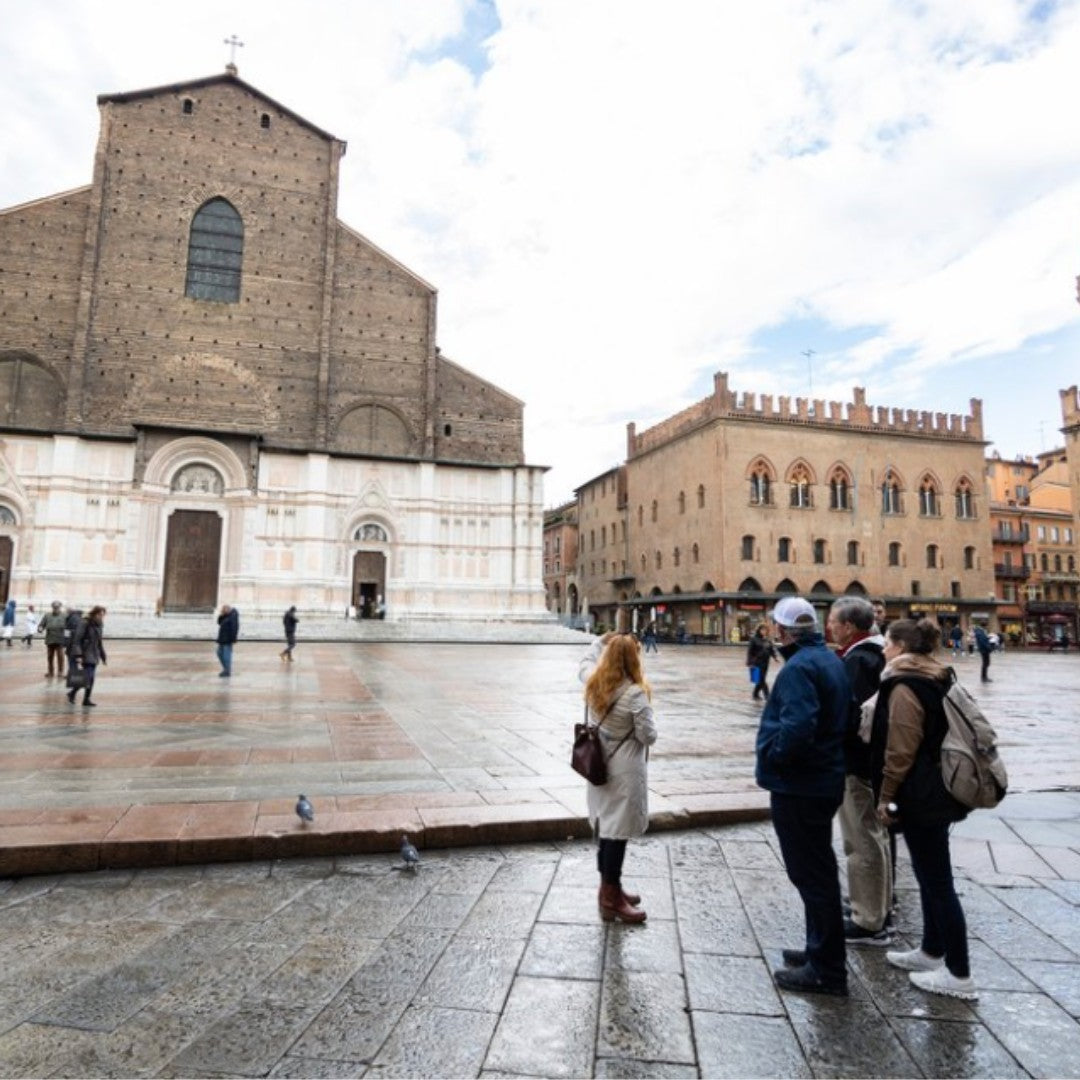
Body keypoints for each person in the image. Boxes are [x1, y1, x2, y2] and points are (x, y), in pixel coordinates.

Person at [870, 618, 976, 1000]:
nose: (883, 649)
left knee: (938, 882)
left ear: (901, 647)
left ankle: (960, 974)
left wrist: (886, 796)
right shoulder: (938, 675)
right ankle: (932, 951)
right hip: (938, 787)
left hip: (920, 793)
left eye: (887, 643)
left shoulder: (905, 685)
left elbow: (900, 750)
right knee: (928, 872)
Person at [756, 596, 851, 996]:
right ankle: (819, 951)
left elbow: (797, 729)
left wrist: (777, 759)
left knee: (811, 876)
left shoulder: (798, 668)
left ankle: (827, 970)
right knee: (819, 871)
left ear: (782, 631)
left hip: (801, 786)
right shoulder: (829, 659)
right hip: (824, 779)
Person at [826, 598, 890, 947]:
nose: (829, 627)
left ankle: (868, 920)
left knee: (861, 839)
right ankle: (878, 906)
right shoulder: (877, 654)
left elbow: (851, 717)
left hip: (855, 763)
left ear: (849, 627)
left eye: (833, 621)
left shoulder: (858, 662)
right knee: (874, 835)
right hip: (871, 762)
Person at [583, 633, 658, 923]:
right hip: (624, 771)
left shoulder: (594, 683)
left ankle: (609, 888)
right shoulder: (635, 693)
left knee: (606, 827)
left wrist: (597, 643)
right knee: (617, 834)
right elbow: (648, 736)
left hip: (599, 765)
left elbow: (584, 664)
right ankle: (611, 898)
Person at [67, 605, 106, 707]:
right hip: (85, 653)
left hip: (94, 653)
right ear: (94, 613)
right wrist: (78, 655)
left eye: (103, 615)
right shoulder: (85, 622)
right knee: (88, 677)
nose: (101, 617)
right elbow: (77, 640)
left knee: (90, 678)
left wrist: (103, 655)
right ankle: (73, 693)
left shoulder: (99, 625)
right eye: (99, 614)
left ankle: (85, 699)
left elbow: (99, 642)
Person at [746, 623, 777, 701]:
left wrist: (775, 657)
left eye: (765, 630)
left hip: (765, 662)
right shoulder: (754, 639)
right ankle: (768, 696)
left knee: (761, 679)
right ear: (759, 630)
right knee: (761, 679)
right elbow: (750, 651)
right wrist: (750, 662)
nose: (764, 631)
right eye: (762, 630)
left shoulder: (767, 640)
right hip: (756, 662)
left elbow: (771, 649)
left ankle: (755, 694)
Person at [40, 601, 69, 679]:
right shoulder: (47, 615)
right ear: (52, 607)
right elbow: (42, 624)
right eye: (54, 607)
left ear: (60, 607)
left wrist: (67, 639)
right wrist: (40, 628)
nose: (56, 609)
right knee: (50, 657)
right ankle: (50, 672)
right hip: (50, 639)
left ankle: (60, 671)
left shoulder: (65, 616)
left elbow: (68, 628)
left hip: (60, 640)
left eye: (57, 607)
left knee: (60, 657)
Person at [216, 603, 240, 677]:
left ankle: (227, 671)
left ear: (228, 609)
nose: (223, 611)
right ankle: (226, 669)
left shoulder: (233, 616)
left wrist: (233, 638)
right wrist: (221, 615)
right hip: (222, 639)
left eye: (224, 610)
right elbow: (219, 622)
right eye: (222, 610)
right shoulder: (226, 616)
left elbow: (234, 627)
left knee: (226, 655)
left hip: (228, 639)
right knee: (219, 653)